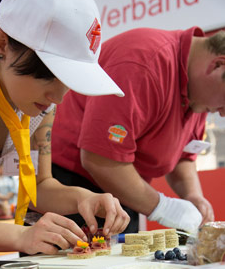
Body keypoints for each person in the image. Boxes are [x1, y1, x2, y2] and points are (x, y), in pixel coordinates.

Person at [0, 0, 130, 269]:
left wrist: (84, 198)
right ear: (0, 45)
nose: (57, 97)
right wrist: (22, 236)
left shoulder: (36, 102)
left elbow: (40, 188)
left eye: (67, 80)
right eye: (47, 75)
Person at [51, 26, 222, 234]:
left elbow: (184, 154)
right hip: (71, 187)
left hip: (124, 194)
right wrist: (163, 207)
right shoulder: (142, 62)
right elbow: (100, 158)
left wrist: (192, 196)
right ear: (218, 65)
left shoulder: (200, 93)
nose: (221, 114)